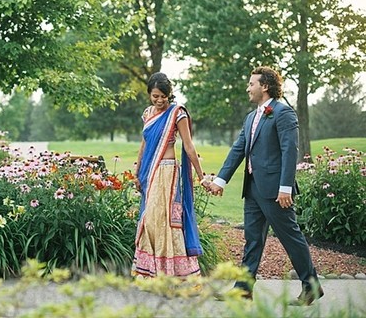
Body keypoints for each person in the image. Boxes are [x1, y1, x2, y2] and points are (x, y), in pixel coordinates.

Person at [205, 66, 324, 306]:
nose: (248, 88)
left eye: (251, 83)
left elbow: (290, 151)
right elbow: (239, 149)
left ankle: (311, 287)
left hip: (275, 191)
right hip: (253, 189)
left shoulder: (284, 113)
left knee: (290, 237)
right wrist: (220, 180)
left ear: (265, 86)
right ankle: (243, 289)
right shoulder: (250, 117)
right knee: (252, 239)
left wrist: (285, 188)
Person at [131, 72, 207, 278]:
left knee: (165, 221)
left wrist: (201, 176)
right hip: (150, 173)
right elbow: (144, 144)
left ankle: (173, 274)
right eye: (155, 96)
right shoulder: (148, 113)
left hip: (167, 172)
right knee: (150, 220)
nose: (159, 100)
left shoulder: (177, 113)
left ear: (169, 95)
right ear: (149, 94)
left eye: (163, 96)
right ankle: (150, 272)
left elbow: (189, 147)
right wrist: (137, 173)